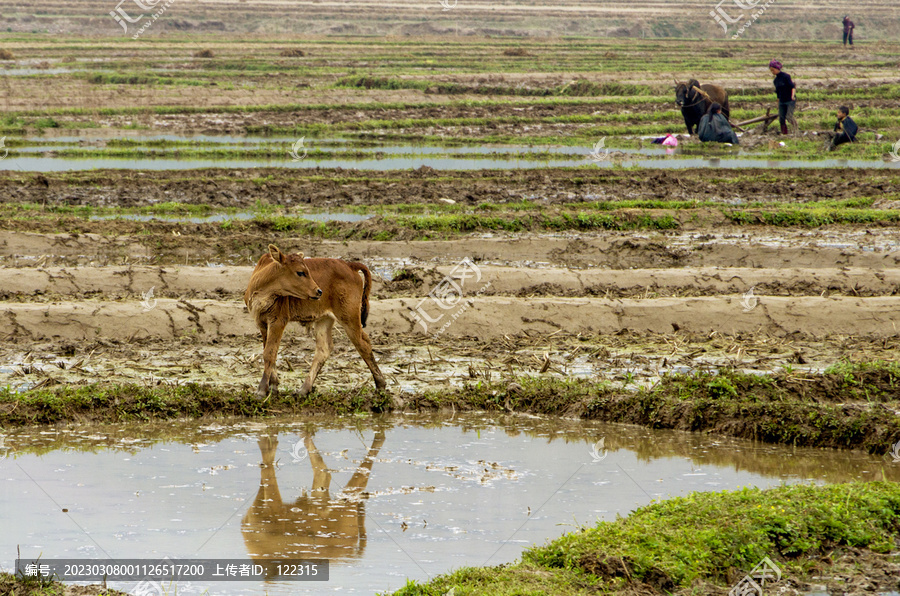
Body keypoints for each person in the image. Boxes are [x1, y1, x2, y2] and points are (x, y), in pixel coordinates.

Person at [769, 60, 796, 135]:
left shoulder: (786, 76)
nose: (772, 72)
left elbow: (792, 87)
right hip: (782, 100)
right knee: (781, 118)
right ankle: (784, 134)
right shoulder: (775, 81)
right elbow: (778, 92)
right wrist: (778, 103)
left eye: (773, 70)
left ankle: (796, 130)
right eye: (771, 71)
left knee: (789, 117)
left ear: (777, 68)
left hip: (789, 100)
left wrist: (792, 96)